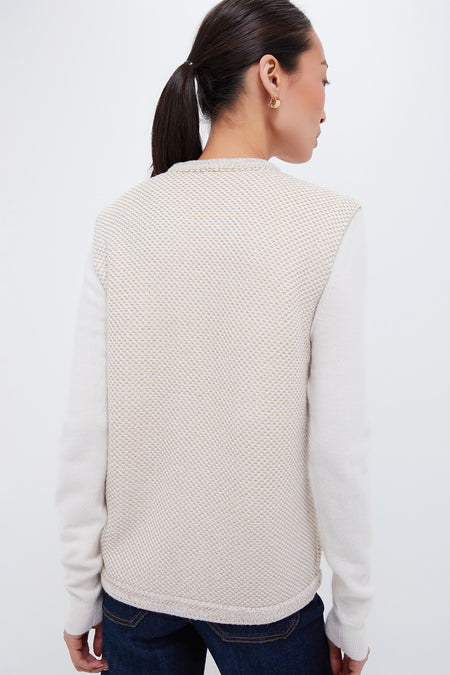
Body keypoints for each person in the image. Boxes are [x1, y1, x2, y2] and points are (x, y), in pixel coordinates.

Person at [55, 0, 373, 673]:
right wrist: (353, 614)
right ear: (272, 76)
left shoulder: (121, 224)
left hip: (135, 592)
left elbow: (86, 430)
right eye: (323, 78)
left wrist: (81, 594)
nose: (325, 105)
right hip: (265, 594)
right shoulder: (326, 226)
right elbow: (339, 449)